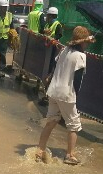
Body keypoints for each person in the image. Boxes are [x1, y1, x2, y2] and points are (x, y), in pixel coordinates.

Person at [35, 25, 94, 165]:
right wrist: (76, 95)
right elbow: (78, 79)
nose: (87, 45)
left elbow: (55, 67)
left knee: (51, 121)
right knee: (74, 125)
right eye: (86, 43)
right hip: (67, 93)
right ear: (82, 42)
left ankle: (40, 150)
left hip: (53, 91)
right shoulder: (80, 56)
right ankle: (70, 155)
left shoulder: (64, 50)